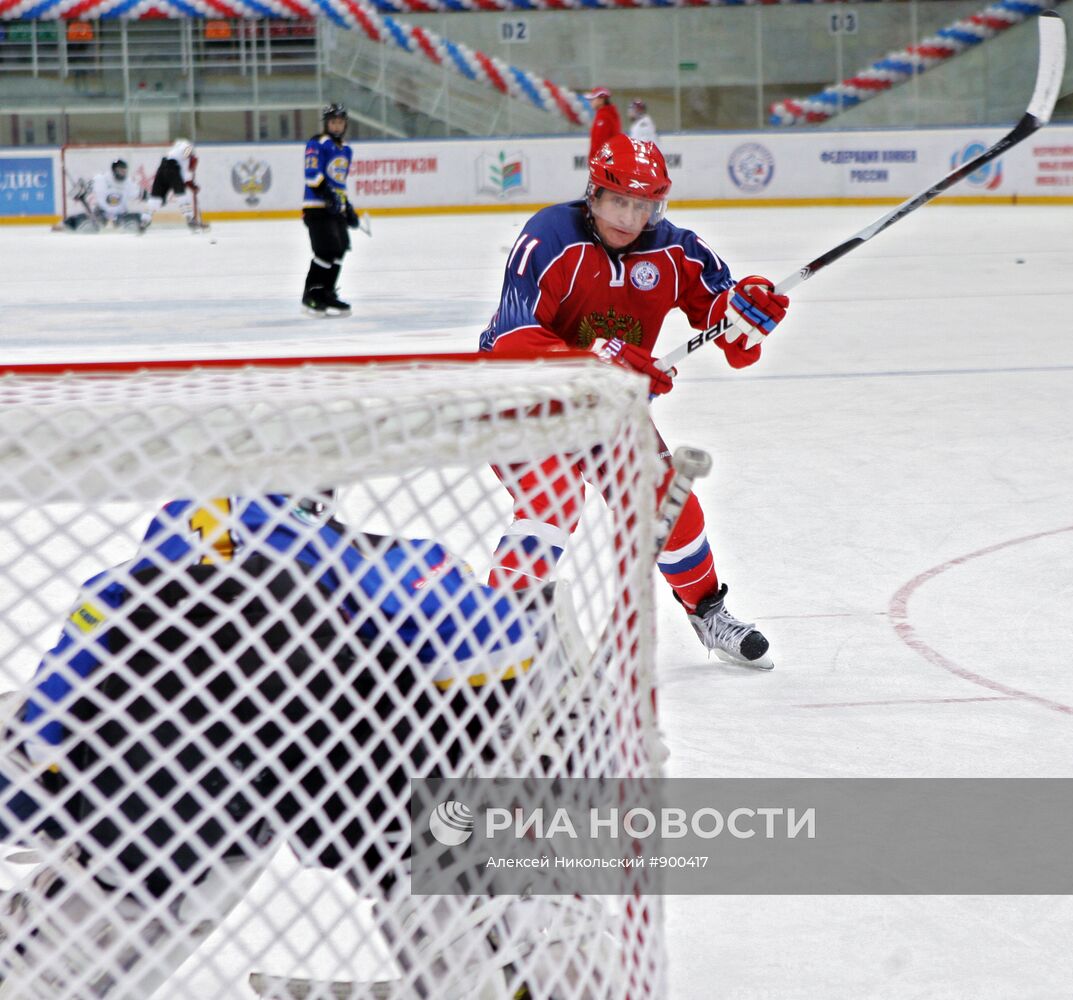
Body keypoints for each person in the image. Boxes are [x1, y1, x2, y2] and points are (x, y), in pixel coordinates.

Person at [0, 492, 571, 997]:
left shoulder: (135, 592)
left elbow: (58, 695)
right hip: (279, 780)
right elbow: (499, 640)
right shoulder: (372, 572)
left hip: (182, 796)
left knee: (178, 849)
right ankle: (513, 953)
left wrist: (40, 752)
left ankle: (511, 947)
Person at [479, 134, 790, 670]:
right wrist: (600, 356)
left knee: (665, 498)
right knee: (553, 496)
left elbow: (733, 337)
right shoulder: (548, 236)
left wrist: (750, 313)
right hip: (520, 393)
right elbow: (512, 340)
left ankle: (707, 612)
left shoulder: (676, 249)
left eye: (644, 204)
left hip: (606, 407)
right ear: (593, 194)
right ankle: (499, 629)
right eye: (618, 200)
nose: (630, 216)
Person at [301, 103, 360, 317]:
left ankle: (327, 292)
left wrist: (347, 208)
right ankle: (312, 295)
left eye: (340, 122)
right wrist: (327, 194)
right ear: (327, 123)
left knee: (340, 248)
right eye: (333, 122)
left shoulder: (346, 149)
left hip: (335, 209)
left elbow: (339, 183)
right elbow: (312, 174)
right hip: (316, 207)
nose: (337, 126)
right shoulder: (317, 143)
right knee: (325, 250)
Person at [57, 159, 151, 233]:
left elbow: (145, 195)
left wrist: (153, 198)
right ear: (114, 170)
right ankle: (66, 225)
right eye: (120, 170)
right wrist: (79, 192)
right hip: (100, 215)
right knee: (82, 221)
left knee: (143, 218)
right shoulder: (100, 179)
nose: (123, 173)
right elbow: (80, 190)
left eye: (124, 171)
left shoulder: (129, 183)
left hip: (121, 216)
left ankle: (127, 227)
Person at [148, 138, 203, 230]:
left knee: (156, 199)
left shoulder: (178, 148)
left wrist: (192, 186)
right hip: (172, 170)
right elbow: (186, 179)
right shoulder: (187, 152)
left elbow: (185, 179)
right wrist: (194, 187)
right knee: (182, 196)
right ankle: (190, 220)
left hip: (162, 168)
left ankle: (145, 220)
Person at [584, 86, 620, 159]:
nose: (590, 102)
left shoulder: (604, 117)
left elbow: (599, 142)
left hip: (603, 162)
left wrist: (595, 161)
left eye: (593, 99)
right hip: (607, 160)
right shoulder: (608, 114)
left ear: (601, 100)